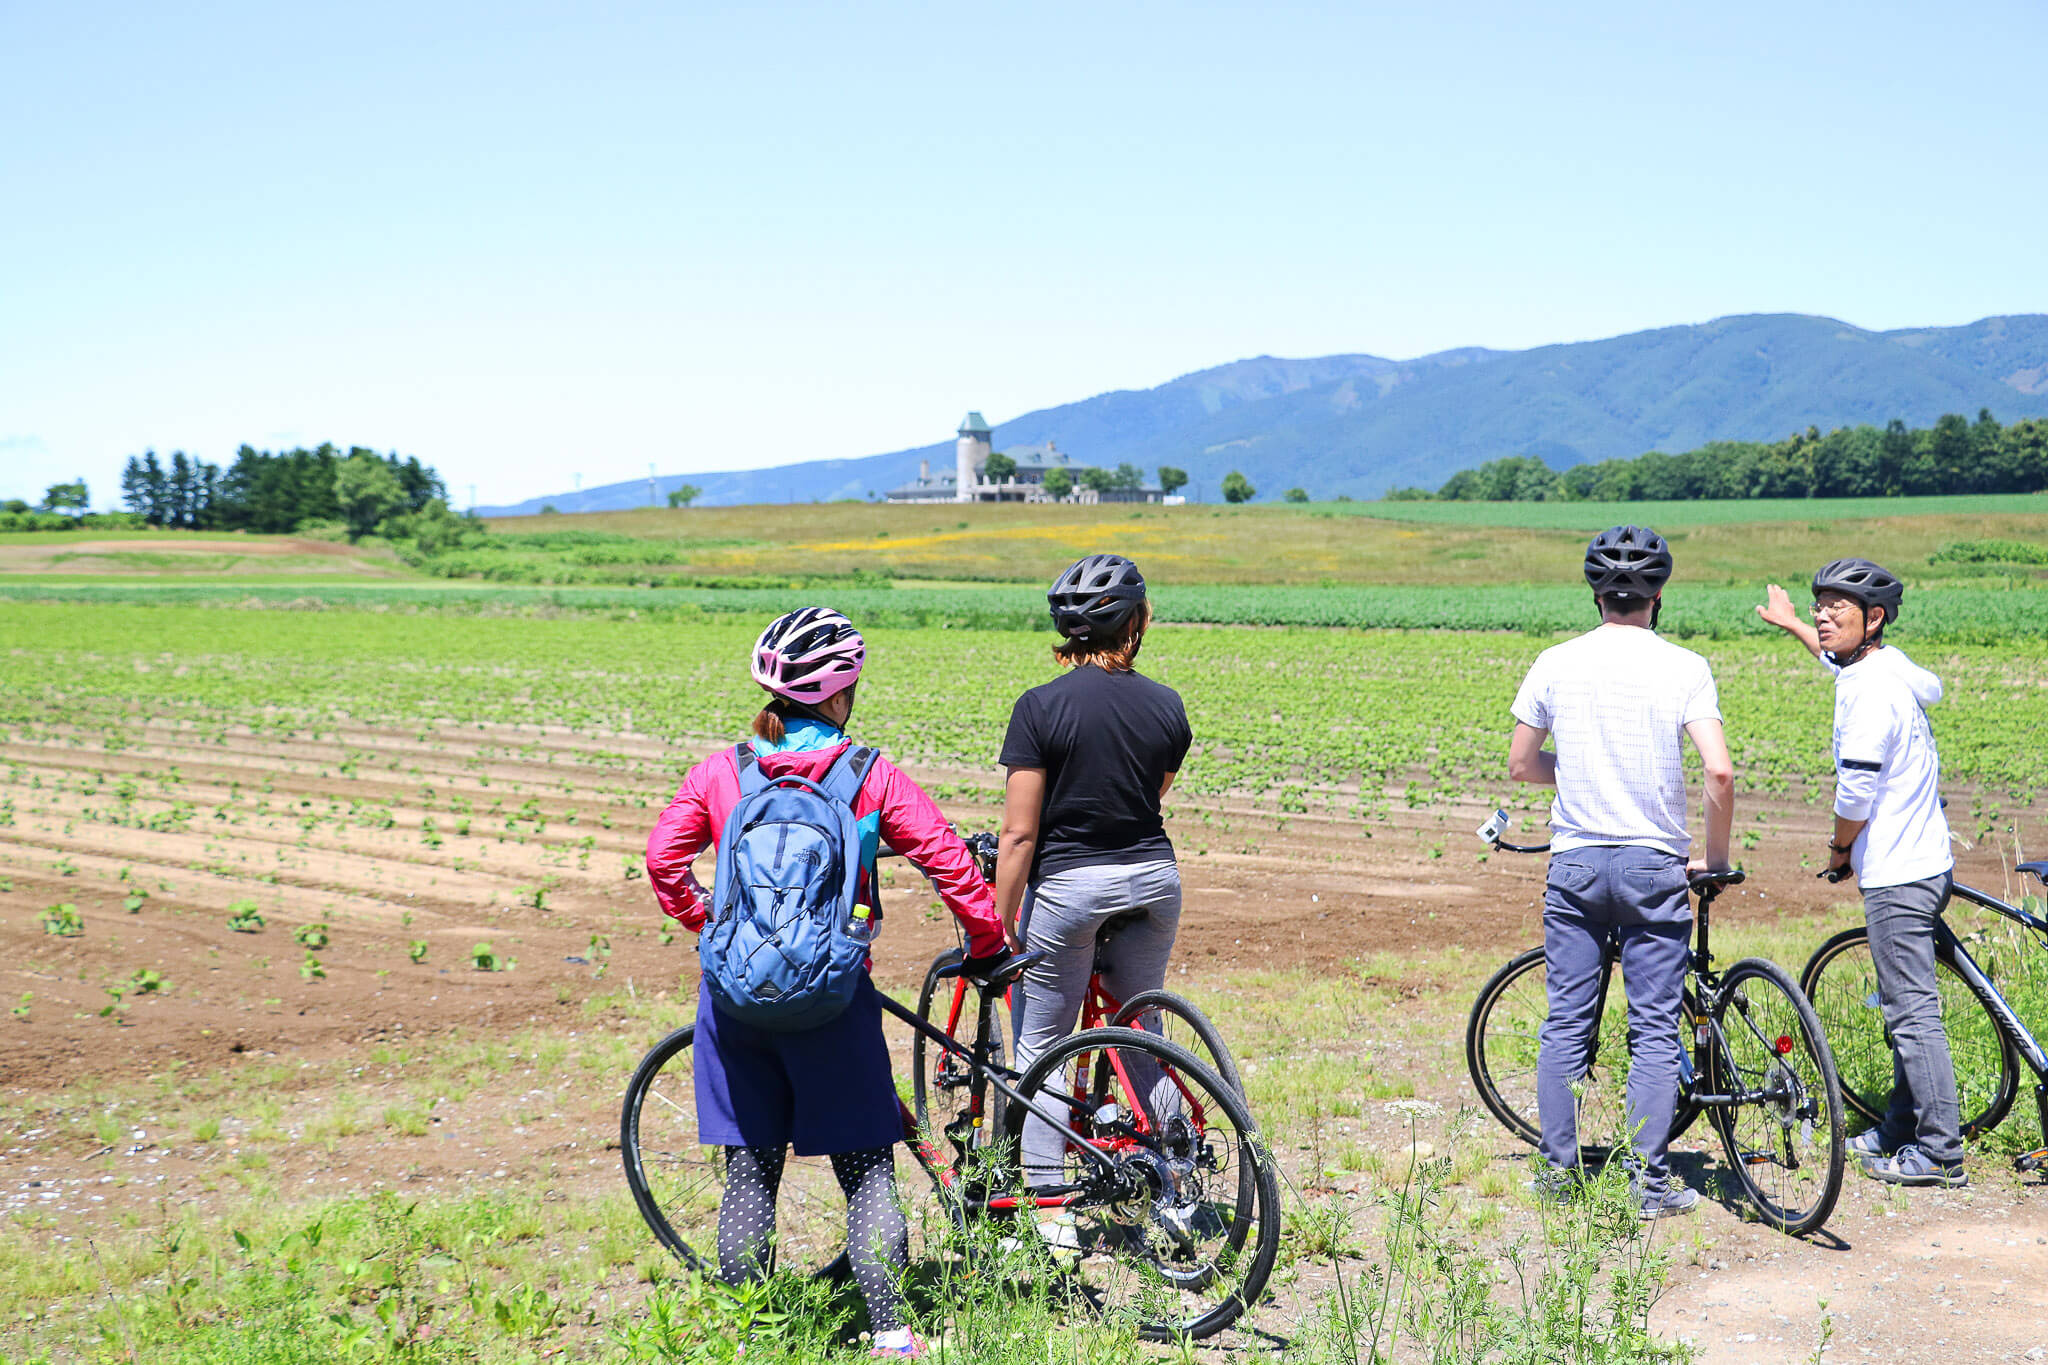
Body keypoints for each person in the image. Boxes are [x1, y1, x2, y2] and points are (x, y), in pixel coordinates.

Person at [646, 607, 1009, 1359]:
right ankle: (890, 1334)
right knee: (869, 1164)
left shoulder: (724, 770)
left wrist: (707, 920)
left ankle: (752, 1334)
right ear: (841, 694)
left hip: (736, 1002)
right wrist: (986, 943)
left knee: (751, 1166)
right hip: (835, 1003)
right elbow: (951, 864)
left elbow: (661, 859)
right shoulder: (869, 774)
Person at [1508, 525, 1735, 1218]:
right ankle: (1647, 1181)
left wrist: (1573, 771)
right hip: (1652, 863)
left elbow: (1521, 764)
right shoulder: (1685, 665)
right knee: (1655, 1029)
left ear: (1595, 593)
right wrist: (1715, 857)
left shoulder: (1555, 660)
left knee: (1566, 1025)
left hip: (1576, 861)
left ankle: (1556, 1174)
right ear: (1659, 594)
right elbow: (1719, 769)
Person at [996, 554, 1192, 1213]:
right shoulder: (1167, 706)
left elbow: (1020, 833)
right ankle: (1179, 1173)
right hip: (1153, 881)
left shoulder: (1039, 707)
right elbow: (1149, 793)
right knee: (1141, 1026)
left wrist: (997, 918)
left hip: (1071, 888)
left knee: (1043, 1045)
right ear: (1135, 624)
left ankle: (1049, 1212)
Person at [1757, 562, 1964, 1187]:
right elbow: (1833, 660)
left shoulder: (1868, 691)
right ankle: (1903, 1126)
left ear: (1872, 619)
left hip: (1898, 873)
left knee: (1910, 1012)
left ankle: (1939, 1152)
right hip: (1926, 859)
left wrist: (1840, 848)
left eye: (1835, 609)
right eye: (1819, 605)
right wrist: (1794, 624)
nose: (1823, 615)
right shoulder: (1883, 668)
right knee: (1908, 1003)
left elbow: (1856, 791)